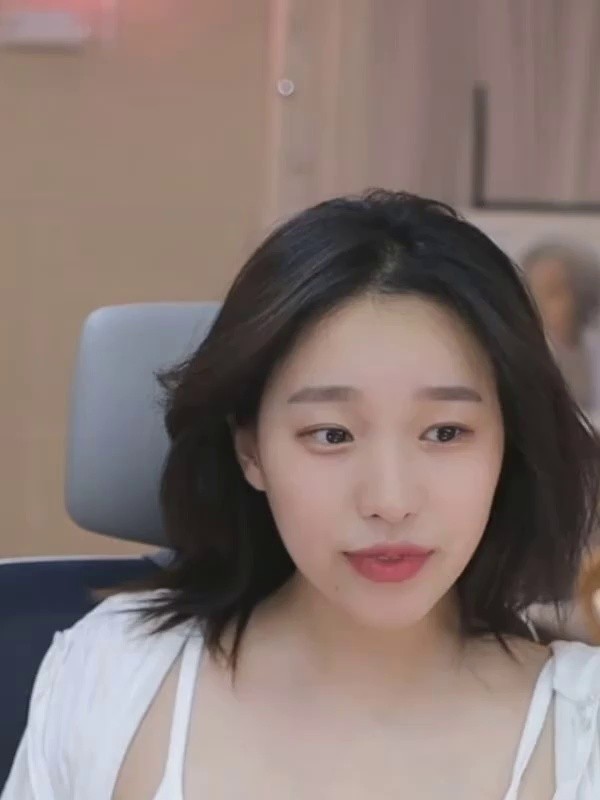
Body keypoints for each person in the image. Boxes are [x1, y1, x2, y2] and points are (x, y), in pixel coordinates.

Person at [4, 191, 600, 799]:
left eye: (445, 432)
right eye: (331, 435)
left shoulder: (584, 733)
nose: (390, 501)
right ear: (252, 451)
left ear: (509, 447)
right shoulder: (113, 676)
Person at [521, 241, 600, 415]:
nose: (539, 304)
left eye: (552, 293)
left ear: (581, 296)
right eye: (531, 292)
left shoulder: (593, 351)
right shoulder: (521, 360)